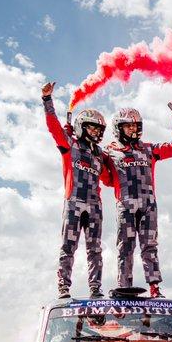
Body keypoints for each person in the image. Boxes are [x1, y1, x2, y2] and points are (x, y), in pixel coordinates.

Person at [41, 81, 113, 299]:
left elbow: (109, 180)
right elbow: (54, 127)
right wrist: (47, 101)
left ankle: (95, 289)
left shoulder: (100, 154)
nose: (97, 132)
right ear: (82, 126)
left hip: (94, 206)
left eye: (100, 129)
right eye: (93, 127)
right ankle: (63, 287)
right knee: (68, 247)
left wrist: (115, 159)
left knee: (95, 250)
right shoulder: (69, 145)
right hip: (73, 202)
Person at [105, 105, 172, 298]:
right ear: (118, 128)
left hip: (149, 204)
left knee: (150, 246)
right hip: (125, 205)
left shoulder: (149, 149)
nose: (133, 129)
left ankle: (155, 288)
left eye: (136, 125)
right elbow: (98, 171)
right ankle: (124, 287)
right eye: (128, 126)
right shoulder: (109, 151)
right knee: (125, 246)